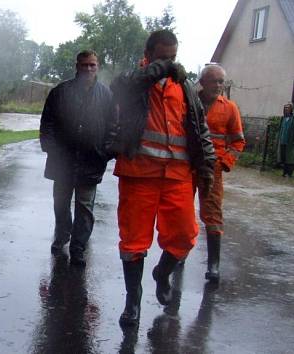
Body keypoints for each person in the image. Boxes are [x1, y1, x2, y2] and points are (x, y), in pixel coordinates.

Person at [110, 30, 216, 326]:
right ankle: (133, 302)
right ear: (149, 55)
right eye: (163, 57)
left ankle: (161, 273)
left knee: (184, 236)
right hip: (139, 173)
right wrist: (159, 68)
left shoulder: (185, 87)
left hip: (178, 176)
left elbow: (200, 129)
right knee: (133, 242)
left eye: (174, 57)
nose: (171, 63)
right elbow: (120, 87)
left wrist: (207, 166)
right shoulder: (135, 81)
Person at [39, 50, 115, 266]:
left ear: (97, 66)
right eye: (84, 65)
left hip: (91, 161)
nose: (88, 69)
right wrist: (51, 148)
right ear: (77, 67)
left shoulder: (106, 95)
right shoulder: (60, 92)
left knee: (85, 207)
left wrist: (106, 152)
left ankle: (79, 247)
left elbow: (113, 126)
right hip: (62, 161)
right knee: (61, 204)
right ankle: (62, 235)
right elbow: (47, 123)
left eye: (92, 65)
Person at [197, 64, 246, 283]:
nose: (218, 86)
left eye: (221, 82)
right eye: (214, 81)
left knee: (213, 215)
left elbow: (238, 141)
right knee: (180, 212)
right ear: (202, 82)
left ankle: (213, 264)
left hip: (213, 169)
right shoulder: (189, 102)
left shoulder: (230, 108)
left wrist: (225, 162)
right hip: (186, 166)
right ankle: (177, 254)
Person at [277, 103, 294, 177]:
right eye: (285, 108)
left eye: (288, 108)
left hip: (290, 142)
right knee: (283, 157)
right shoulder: (283, 119)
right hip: (283, 141)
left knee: (290, 158)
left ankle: (289, 173)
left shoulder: (292, 119)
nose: (286, 109)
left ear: (291, 109)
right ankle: (284, 172)